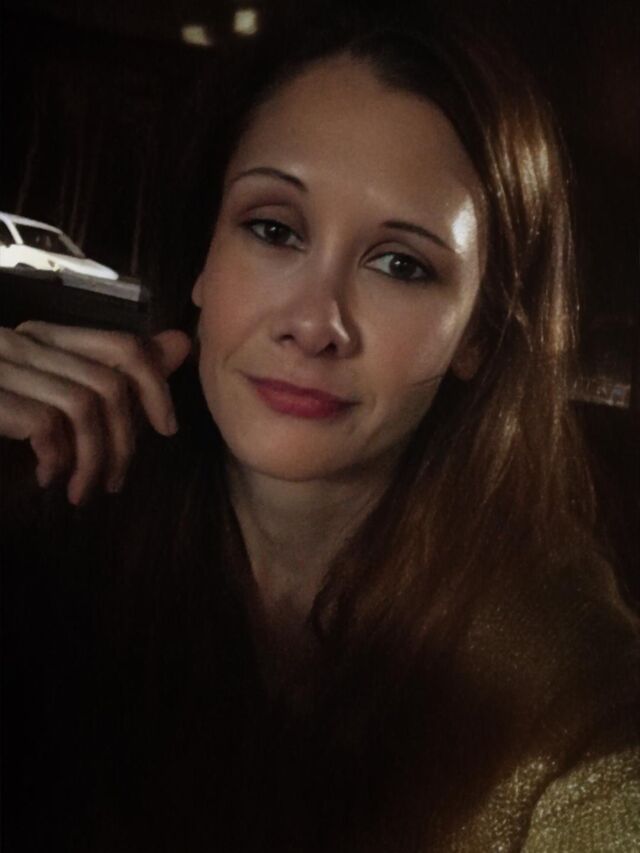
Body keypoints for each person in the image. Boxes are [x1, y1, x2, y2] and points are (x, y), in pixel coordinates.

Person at [1, 10, 638, 852]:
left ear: (477, 335)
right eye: (274, 229)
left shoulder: (576, 711)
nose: (313, 324)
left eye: (401, 264)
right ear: (204, 257)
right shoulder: (59, 507)